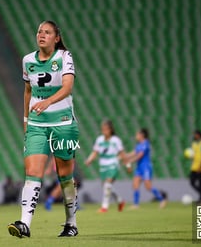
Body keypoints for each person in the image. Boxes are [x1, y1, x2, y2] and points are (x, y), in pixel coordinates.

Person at [8, 20, 79, 238]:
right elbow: (28, 91)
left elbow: (67, 87)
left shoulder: (64, 57)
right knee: (32, 172)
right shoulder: (27, 60)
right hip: (37, 125)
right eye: (39, 31)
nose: (42, 35)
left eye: (47, 32)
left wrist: (48, 102)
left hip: (64, 123)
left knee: (65, 176)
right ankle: (24, 224)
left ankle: (71, 223)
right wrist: (26, 119)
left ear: (56, 38)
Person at [85, 120, 125, 213]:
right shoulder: (99, 139)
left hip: (113, 163)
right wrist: (89, 160)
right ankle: (120, 200)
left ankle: (104, 207)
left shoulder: (116, 140)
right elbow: (95, 152)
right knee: (107, 186)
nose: (104, 131)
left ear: (110, 130)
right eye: (103, 129)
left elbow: (122, 153)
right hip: (103, 164)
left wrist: (127, 165)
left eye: (106, 129)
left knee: (107, 184)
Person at [125, 128, 166, 209]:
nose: (136, 136)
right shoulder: (139, 145)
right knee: (135, 184)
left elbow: (140, 155)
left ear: (142, 135)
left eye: (137, 134)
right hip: (139, 168)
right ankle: (136, 204)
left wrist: (130, 161)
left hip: (146, 167)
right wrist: (123, 156)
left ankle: (162, 199)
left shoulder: (146, 144)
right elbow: (133, 153)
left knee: (148, 186)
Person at [189, 129, 201, 202]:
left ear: (198, 135)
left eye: (195, 134)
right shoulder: (194, 143)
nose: (194, 135)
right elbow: (193, 154)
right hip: (194, 166)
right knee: (192, 182)